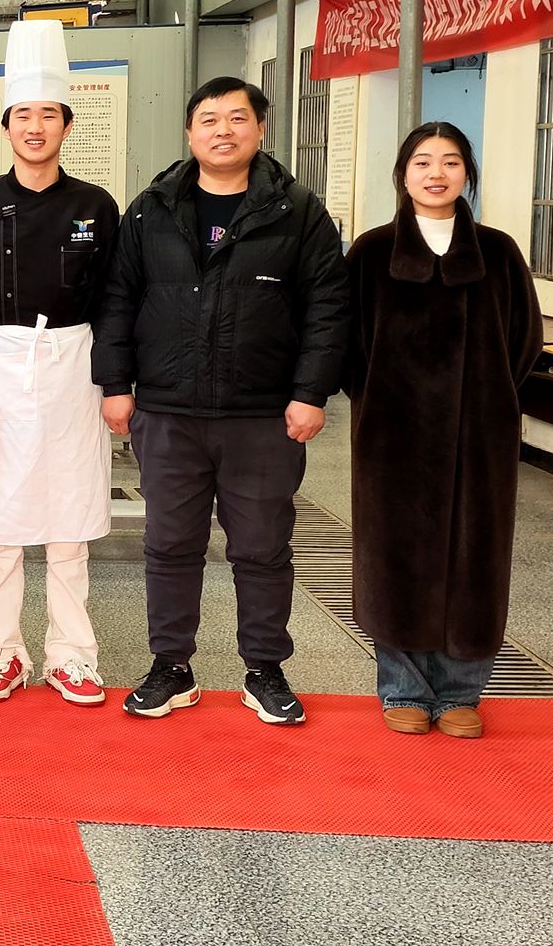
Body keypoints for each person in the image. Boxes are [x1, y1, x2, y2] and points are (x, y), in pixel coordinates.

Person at [93, 76, 347, 726]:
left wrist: (310, 393)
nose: (223, 130)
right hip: (169, 411)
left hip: (261, 414)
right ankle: (170, 667)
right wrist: (116, 384)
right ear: (190, 132)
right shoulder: (151, 209)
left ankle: (265, 670)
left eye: (237, 118)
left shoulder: (298, 211)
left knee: (262, 549)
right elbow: (118, 298)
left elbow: (327, 307)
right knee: (169, 545)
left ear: (260, 128)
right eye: (209, 119)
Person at [345, 123, 540, 739]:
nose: (436, 173)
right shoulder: (372, 253)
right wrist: (375, 400)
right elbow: (347, 342)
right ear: (403, 175)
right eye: (423, 162)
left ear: (467, 174)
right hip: (391, 436)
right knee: (394, 555)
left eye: (451, 162)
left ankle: (460, 691)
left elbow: (525, 340)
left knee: (475, 557)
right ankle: (403, 688)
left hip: (481, 435)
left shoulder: (499, 253)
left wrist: (492, 398)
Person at [0, 21, 121, 707]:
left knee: (70, 517)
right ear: (6, 128)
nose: (36, 127)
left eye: (49, 114)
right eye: (23, 114)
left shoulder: (95, 204)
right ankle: (0, 651)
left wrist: (117, 383)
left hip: (74, 363)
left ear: (66, 126)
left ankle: (72, 655)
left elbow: (115, 299)